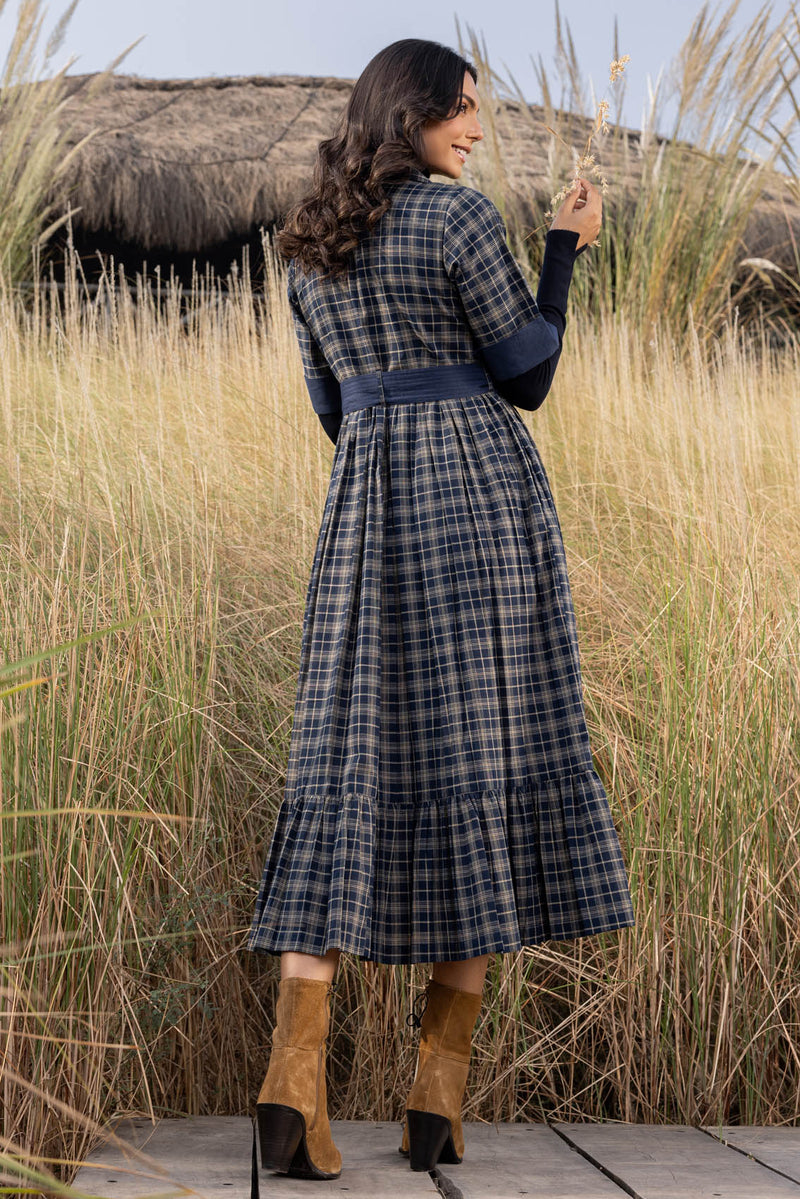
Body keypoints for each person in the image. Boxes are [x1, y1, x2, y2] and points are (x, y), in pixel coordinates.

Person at [246, 37, 635, 1186]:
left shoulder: (308, 244)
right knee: (483, 760)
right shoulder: (458, 222)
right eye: (462, 110)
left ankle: (289, 1088)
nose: (475, 128)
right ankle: (432, 1108)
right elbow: (525, 371)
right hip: (476, 519)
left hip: (364, 522)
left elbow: (333, 409)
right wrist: (562, 249)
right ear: (411, 112)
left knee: (344, 771)